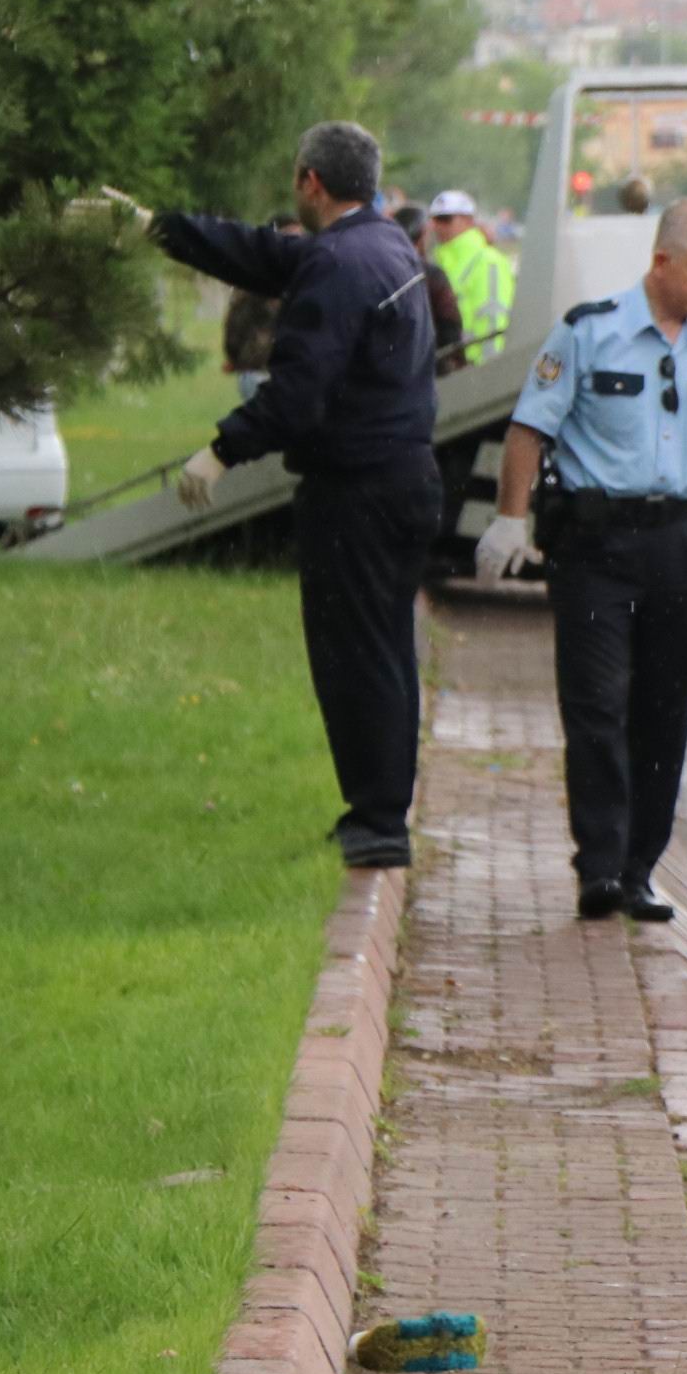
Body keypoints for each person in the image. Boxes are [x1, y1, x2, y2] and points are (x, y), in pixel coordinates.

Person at [477, 198, 687, 923]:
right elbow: (529, 428)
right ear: (661, 261)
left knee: (665, 709)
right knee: (595, 702)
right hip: (595, 545)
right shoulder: (590, 333)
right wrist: (509, 520)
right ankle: (600, 865)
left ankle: (641, 866)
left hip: (679, 542)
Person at [153, 122, 441, 868]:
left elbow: (299, 393)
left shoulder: (341, 265)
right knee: (382, 649)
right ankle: (381, 808)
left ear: (310, 182)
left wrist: (221, 450)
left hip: (359, 488)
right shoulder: (381, 246)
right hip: (403, 478)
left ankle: (378, 822)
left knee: (356, 656)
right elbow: (267, 254)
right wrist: (160, 228)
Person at [426, 188, 516, 363]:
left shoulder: (489, 262)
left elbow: (493, 319)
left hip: (474, 368)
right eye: (434, 219)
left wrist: (488, 370)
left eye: (445, 219)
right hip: (447, 366)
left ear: (468, 220)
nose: (438, 226)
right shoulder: (437, 260)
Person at [221, 216, 300, 400]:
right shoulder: (258, 280)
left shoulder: (301, 277)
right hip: (260, 372)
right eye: (289, 238)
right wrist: (237, 358)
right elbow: (235, 324)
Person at [388, 205, 470, 376]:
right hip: (428, 372)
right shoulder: (432, 276)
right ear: (422, 235)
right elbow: (450, 326)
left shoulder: (380, 272)